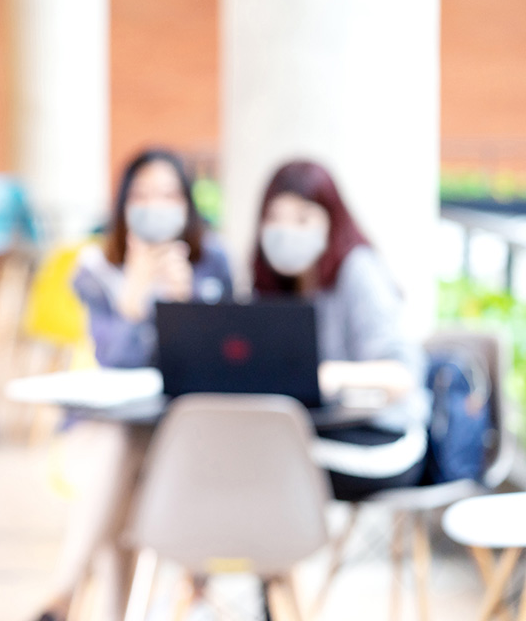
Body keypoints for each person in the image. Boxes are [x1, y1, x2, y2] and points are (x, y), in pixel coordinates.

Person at [34, 149, 234, 621]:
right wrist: (133, 299)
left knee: (122, 474)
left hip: (186, 436)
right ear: (123, 204)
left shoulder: (214, 262)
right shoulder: (96, 267)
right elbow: (115, 361)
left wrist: (186, 308)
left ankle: (62, 597)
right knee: (118, 442)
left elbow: (219, 361)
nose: (155, 206)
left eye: (168, 194)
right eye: (142, 195)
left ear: (187, 203)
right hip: (105, 431)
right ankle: (70, 598)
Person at [252, 159, 429, 500]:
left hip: (385, 438)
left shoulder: (358, 270)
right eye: (275, 219)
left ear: (331, 221)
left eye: (302, 219)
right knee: (241, 450)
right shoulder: (281, 287)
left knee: (262, 463)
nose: (287, 231)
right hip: (318, 431)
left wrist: (329, 375)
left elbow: (403, 376)